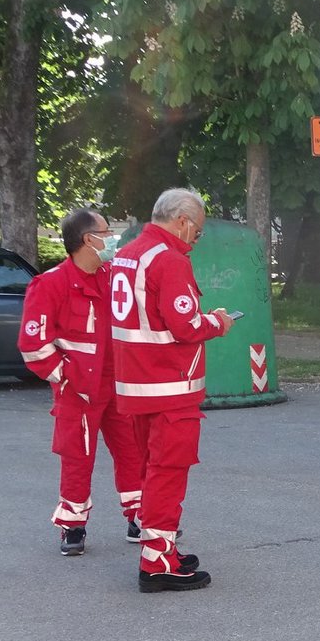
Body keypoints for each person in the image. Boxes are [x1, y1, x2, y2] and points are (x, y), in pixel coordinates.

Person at [110, 189, 235, 592]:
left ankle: (159, 547)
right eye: (197, 232)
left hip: (137, 383)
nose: (195, 240)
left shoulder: (127, 254)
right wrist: (216, 321)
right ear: (182, 221)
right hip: (169, 385)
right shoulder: (169, 260)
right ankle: (158, 561)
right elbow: (185, 326)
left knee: (151, 469)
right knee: (168, 472)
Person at [18, 209, 142, 557]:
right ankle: (73, 526)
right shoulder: (51, 284)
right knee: (77, 458)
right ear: (90, 239)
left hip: (118, 385)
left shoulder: (114, 276)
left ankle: (139, 517)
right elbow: (33, 346)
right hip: (78, 391)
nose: (112, 237)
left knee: (133, 452)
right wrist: (67, 377)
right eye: (107, 231)